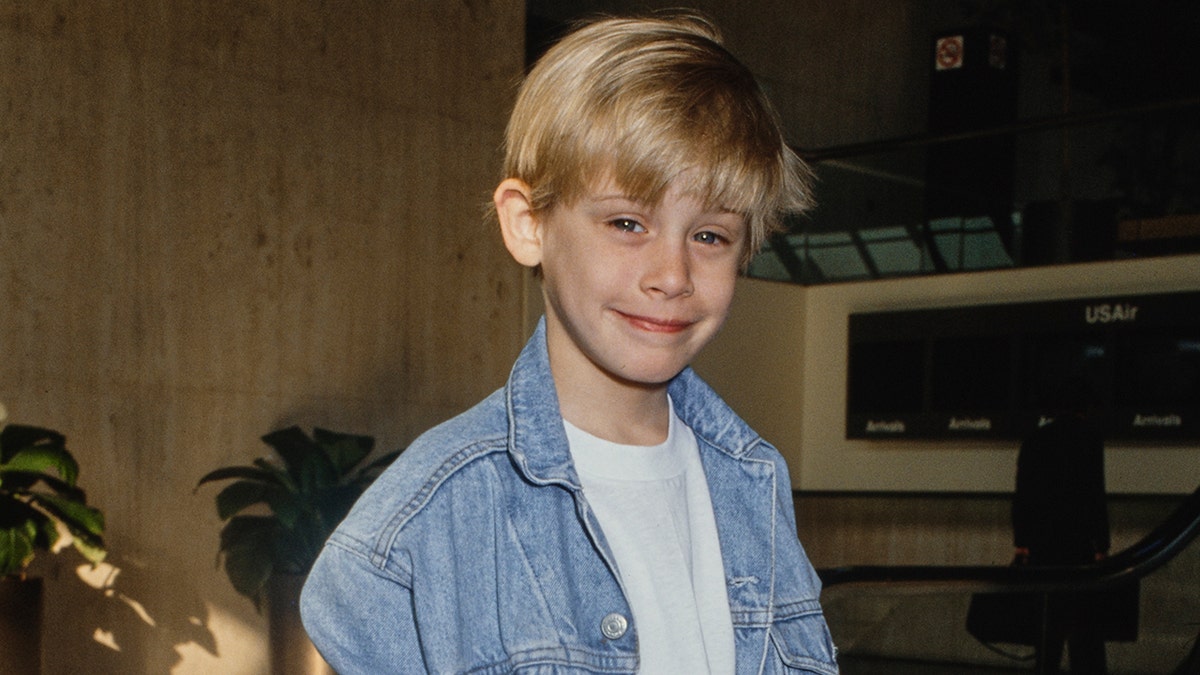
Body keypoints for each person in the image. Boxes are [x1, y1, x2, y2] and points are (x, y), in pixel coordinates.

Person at [300, 13, 838, 675]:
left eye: (710, 236)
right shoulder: (421, 523)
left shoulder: (753, 478)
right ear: (529, 225)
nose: (672, 275)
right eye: (627, 221)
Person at [1012, 379, 1111, 674]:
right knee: (1085, 627)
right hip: (1078, 543)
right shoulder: (1090, 438)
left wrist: (1022, 541)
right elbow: (1095, 494)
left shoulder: (1034, 439)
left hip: (1042, 543)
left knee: (1048, 624)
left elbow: (1023, 495)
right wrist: (1101, 545)